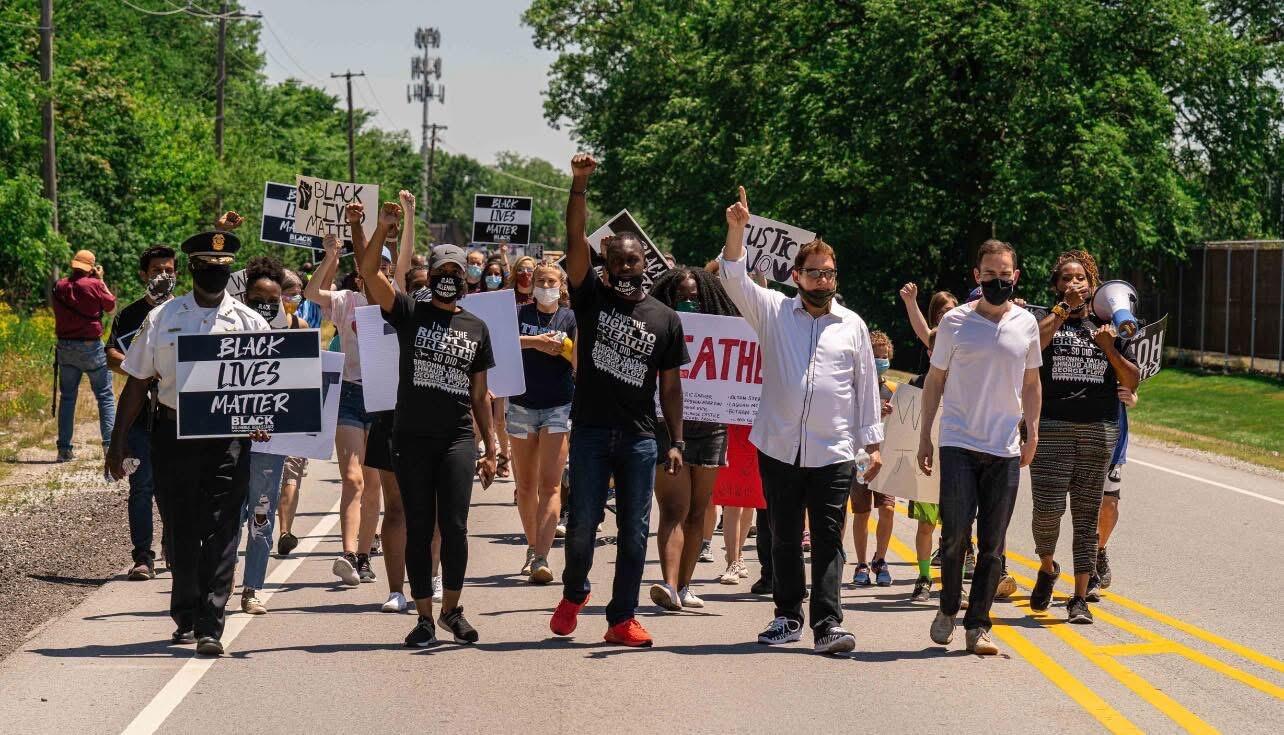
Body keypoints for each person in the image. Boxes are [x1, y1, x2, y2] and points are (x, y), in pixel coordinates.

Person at [720, 186, 883, 655]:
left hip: (832, 449)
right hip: (778, 444)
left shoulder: (852, 324)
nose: (822, 281)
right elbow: (733, 277)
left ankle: (828, 624)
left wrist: (871, 442)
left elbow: (865, 384)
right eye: (814, 274)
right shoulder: (773, 312)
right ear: (796, 277)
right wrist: (737, 230)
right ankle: (787, 616)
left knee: (828, 539)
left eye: (829, 274)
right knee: (784, 537)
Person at [105, 228, 271, 657]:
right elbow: (139, 382)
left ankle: (211, 622)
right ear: (192, 269)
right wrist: (117, 442)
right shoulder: (163, 318)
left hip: (227, 439)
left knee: (220, 527)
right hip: (173, 434)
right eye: (205, 266)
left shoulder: (250, 322)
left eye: (222, 267)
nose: (214, 272)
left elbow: (266, 388)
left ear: (229, 270)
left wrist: (264, 419)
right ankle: (186, 614)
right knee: (180, 526)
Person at [550, 153, 688, 648]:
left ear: (644, 263)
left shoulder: (665, 319)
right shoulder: (591, 298)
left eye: (633, 259)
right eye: (617, 260)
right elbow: (572, 240)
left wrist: (675, 439)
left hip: (639, 437)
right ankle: (574, 592)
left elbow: (670, 385)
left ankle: (621, 618)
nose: (626, 266)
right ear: (604, 265)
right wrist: (579, 186)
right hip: (588, 431)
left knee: (634, 531)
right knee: (583, 523)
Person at [360, 209, 498, 647]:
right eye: (442, 271)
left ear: (465, 280)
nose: (450, 278)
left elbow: (481, 396)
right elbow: (367, 272)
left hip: (457, 438)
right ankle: (422, 617)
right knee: (419, 526)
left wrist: (491, 448)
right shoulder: (409, 312)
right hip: (412, 437)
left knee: (454, 527)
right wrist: (384, 227)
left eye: (458, 272)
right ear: (431, 274)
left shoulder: (477, 327)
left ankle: (452, 610)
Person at [918, 239, 1042, 656]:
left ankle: (979, 625)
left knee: (993, 542)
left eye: (1004, 275)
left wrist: (1033, 432)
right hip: (958, 442)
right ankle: (948, 608)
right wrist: (925, 437)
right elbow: (935, 381)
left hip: (1004, 447)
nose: (997, 281)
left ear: (1016, 276)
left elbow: (1031, 383)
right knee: (954, 535)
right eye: (989, 275)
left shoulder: (1026, 324)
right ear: (976, 276)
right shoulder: (954, 322)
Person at [1029, 250, 1140, 624]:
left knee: (1085, 514)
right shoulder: (1042, 319)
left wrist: (1109, 348)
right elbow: (1031, 349)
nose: (1073, 284)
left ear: (1093, 288)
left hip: (1099, 430)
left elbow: (1132, 380)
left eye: (1080, 279)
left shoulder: (1108, 328)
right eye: (1065, 279)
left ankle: (1078, 598)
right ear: (1056, 285)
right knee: (1046, 514)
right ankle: (1047, 565)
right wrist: (1060, 312)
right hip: (1052, 427)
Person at [304, 218, 395, 587]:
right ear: (359, 274)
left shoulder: (396, 303)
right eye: (372, 267)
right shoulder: (345, 302)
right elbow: (312, 293)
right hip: (350, 393)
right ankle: (346, 552)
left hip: (384, 396)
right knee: (353, 479)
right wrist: (330, 258)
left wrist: (401, 217)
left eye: (384, 268)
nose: (378, 273)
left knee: (373, 484)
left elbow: (404, 265)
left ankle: (363, 554)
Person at [646, 267, 738, 607]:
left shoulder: (724, 329)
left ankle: (685, 586)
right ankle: (669, 585)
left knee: (698, 512)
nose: (689, 303)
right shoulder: (656, 330)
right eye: (681, 297)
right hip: (667, 427)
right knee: (673, 508)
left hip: (712, 427)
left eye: (695, 298)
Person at [362, 191, 426, 613]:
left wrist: (408, 216)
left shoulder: (413, 308)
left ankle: (432, 578)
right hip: (387, 414)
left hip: (428, 416)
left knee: (432, 505)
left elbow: (401, 265)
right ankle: (395, 589)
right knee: (396, 506)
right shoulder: (378, 307)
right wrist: (370, 228)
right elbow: (367, 270)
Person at [236, 256, 307, 616]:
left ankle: (252, 589)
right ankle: (217, 584)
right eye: (257, 298)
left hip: (270, 440)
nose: (265, 306)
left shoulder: (295, 327)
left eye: (272, 300)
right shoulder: (228, 330)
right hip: (230, 440)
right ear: (244, 296)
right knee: (229, 516)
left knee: (261, 516)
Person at [105, 245, 177, 580]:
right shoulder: (130, 315)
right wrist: (143, 369)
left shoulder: (183, 311)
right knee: (143, 486)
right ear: (143, 275)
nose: (164, 276)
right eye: (157, 271)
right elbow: (110, 355)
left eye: (170, 270)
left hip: (175, 412)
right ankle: (142, 557)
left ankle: (174, 546)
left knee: (174, 486)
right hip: (140, 415)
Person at [509, 261, 576, 583]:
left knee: (550, 484)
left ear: (561, 285)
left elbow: (582, 359)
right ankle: (531, 545)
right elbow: (501, 343)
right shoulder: (519, 314)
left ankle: (541, 557)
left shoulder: (570, 318)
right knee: (525, 485)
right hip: (521, 404)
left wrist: (561, 346)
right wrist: (534, 342)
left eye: (550, 280)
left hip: (558, 407)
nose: (544, 285)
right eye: (539, 280)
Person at [52, 249, 117, 462]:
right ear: (90, 267)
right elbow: (111, 307)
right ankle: (110, 447)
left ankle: (64, 450)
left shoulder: (59, 286)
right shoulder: (94, 285)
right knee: (105, 397)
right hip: (91, 348)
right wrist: (101, 280)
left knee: (68, 398)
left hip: (65, 347)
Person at [850, 331, 897, 588]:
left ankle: (880, 559)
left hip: (888, 458)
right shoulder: (856, 385)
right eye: (876, 356)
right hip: (860, 457)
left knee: (887, 509)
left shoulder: (893, 389)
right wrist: (875, 410)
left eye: (884, 357)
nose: (880, 360)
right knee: (862, 512)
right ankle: (861, 563)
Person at [1088, 386, 1136, 600]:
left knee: (1109, 506)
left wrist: (1133, 397)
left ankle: (1099, 551)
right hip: (1082, 433)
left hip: (1114, 438)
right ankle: (1085, 570)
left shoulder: (1119, 352)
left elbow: (1132, 385)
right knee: (1085, 508)